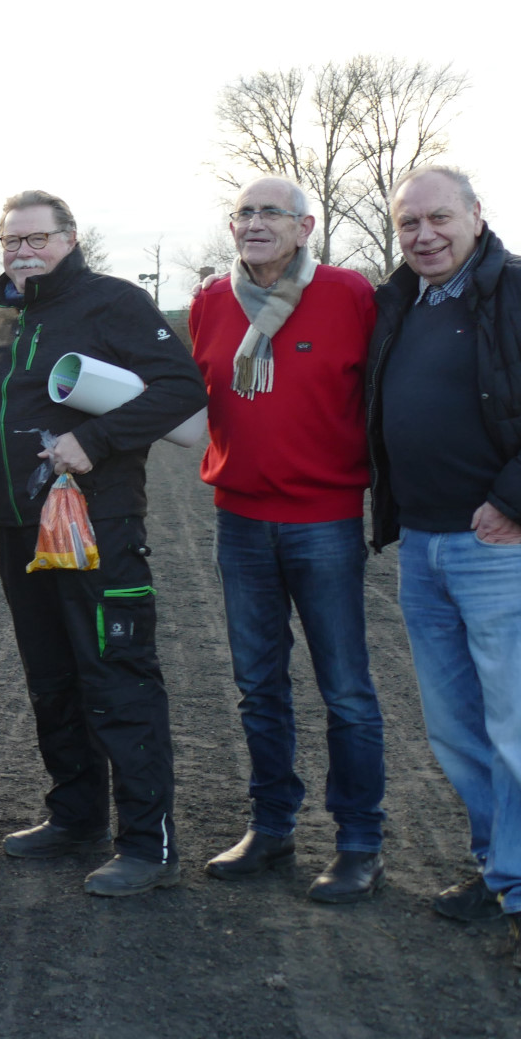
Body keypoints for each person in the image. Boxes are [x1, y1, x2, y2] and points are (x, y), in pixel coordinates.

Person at [0, 189, 206, 897]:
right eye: (11, 240)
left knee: (117, 678)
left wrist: (94, 439)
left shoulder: (113, 302)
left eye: (36, 239)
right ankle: (75, 817)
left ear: (70, 239)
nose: (22, 251)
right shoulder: (9, 319)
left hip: (98, 528)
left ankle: (147, 845)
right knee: (52, 680)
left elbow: (181, 389)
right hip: (21, 531)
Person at [188, 177, 385, 903]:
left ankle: (360, 842)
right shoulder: (211, 303)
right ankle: (271, 827)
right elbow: (192, 395)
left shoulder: (349, 295)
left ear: (305, 227)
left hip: (324, 520)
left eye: (271, 212)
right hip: (239, 521)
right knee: (258, 686)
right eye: (243, 212)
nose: (254, 222)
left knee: (346, 690)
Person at [366, 167, 521, 958]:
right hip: (422, 547)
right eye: (409, 224)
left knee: (516, 726)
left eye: (439, 219)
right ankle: (502, 868)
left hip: (499, 547)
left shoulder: (513, 290)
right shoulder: (401, 304)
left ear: (476, 216)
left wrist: (514, 501)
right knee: (457, 729)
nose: (423, 235)